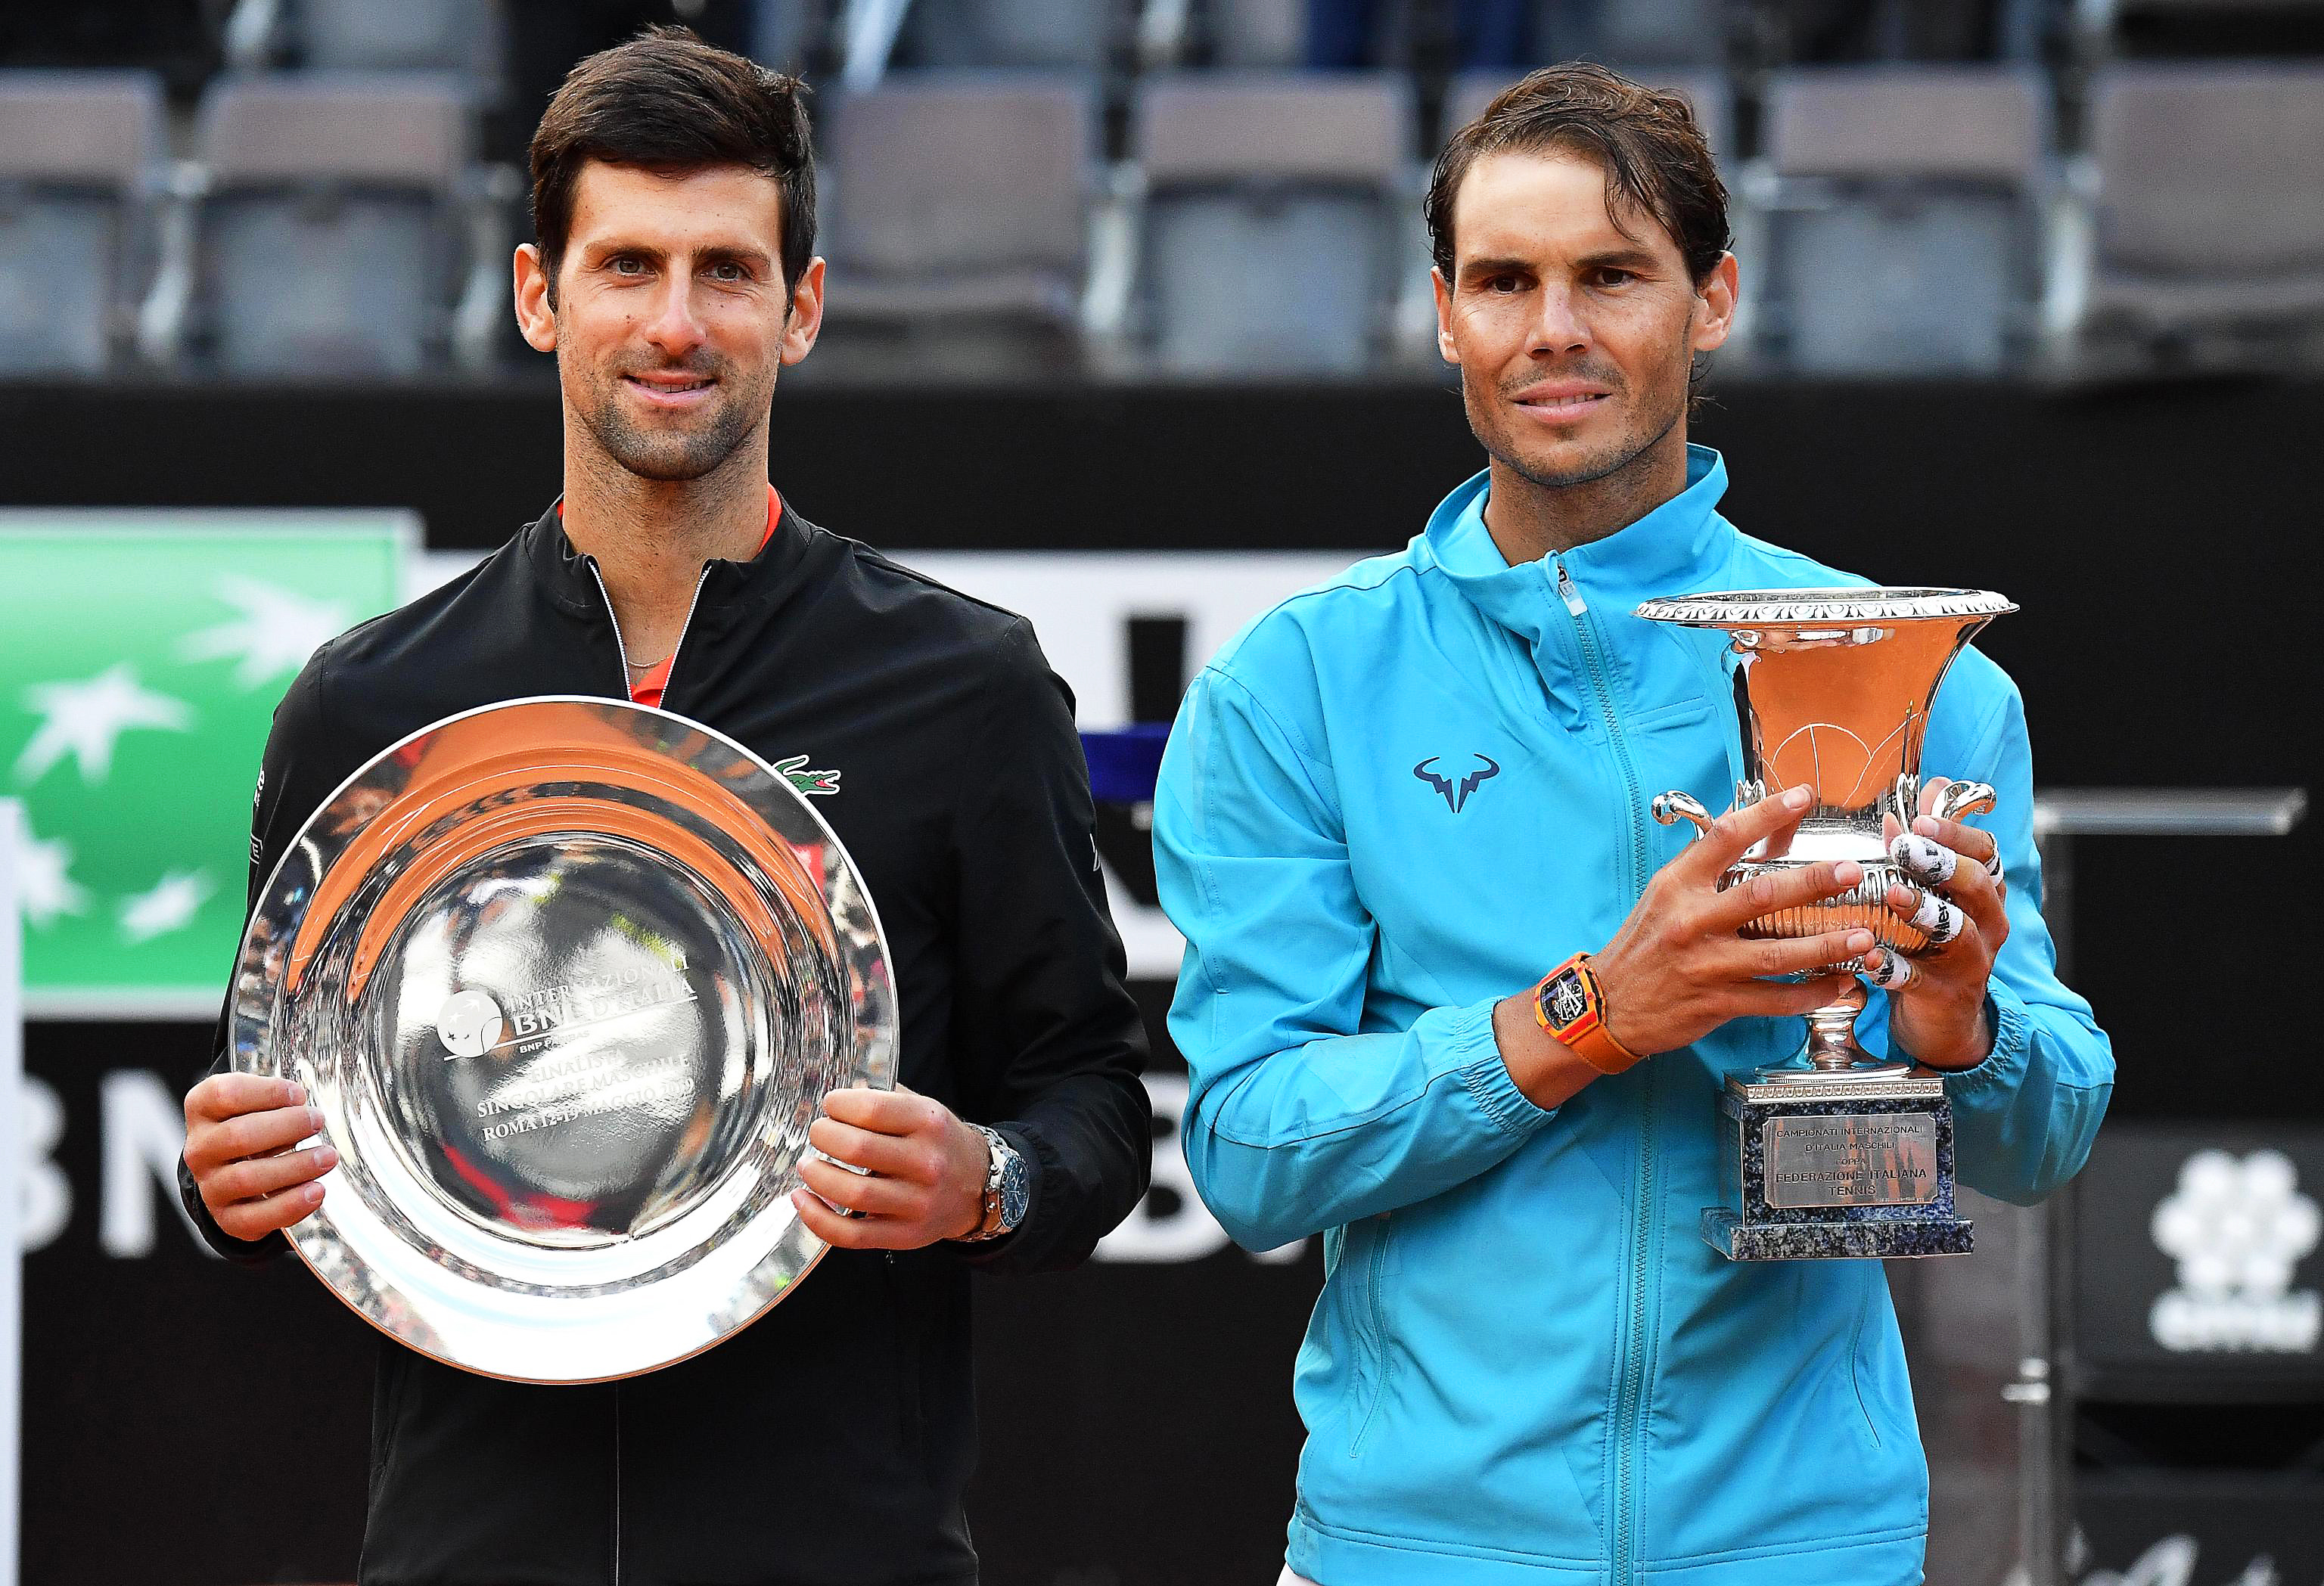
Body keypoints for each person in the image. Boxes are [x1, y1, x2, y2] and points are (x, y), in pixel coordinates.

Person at [177, 29, 1151, 1584]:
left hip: (843, 1550)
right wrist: (219, 1180)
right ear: (536, 296)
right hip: (469, 1549)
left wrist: (990, 1177)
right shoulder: (369, 707)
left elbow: (1091, 1099)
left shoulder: (964, 685)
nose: (676, 323)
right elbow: (280, 1116)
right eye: (626, 264)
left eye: (727, 270)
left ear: (802, 307)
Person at [1152, 63, 2112, 1586]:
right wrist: (1588, 1014)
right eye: (1505, 281)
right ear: (1446, 311)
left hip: (1801, 1548)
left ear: (1712, 296)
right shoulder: (1300, 686)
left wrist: (1957, 1019)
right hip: (1415, 1551)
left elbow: (2046, 1130)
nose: (1554, 331)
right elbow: (1254, 1150)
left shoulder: (1912, 669)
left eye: (1611, 276)